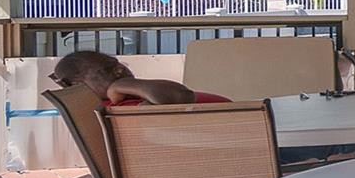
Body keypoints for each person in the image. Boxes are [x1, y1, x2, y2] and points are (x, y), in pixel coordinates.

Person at [48, 49, 230, 106]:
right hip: (232, 134)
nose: (120, 70)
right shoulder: (117, 109)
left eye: (118, 65)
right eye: (108, 69)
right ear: (77, 85)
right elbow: (182, 96)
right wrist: (124, 84)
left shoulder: (121, 102)